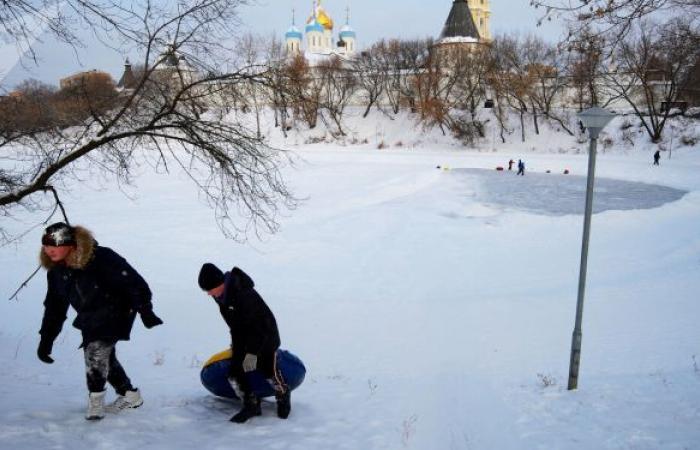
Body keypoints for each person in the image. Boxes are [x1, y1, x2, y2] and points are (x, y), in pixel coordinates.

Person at [37, 222, 163, 420]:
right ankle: (129, 395)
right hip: (89, 316)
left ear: (70, 245)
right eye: (45, 246)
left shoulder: (101, 257)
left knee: (95, 351)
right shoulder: (56, 272)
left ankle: (95, 404)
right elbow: (54, 307)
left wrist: (145, 310)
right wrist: (47, 339)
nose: (49, 250)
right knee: (106, 357)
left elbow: (135, 284)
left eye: (54, 245)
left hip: (117, 310)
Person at [198, 263, 290, 423]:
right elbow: (235, 325)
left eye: (209, 290)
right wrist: (238, 348)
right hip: (244, 336)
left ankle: (283, 395)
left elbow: (260, 327)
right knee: (235, 371)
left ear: (219, 283)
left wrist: (253, 353)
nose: (208, 294)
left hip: (266, 334)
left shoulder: (243, 293)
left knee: (267, 368)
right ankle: (251, 404)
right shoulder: (220, 296)